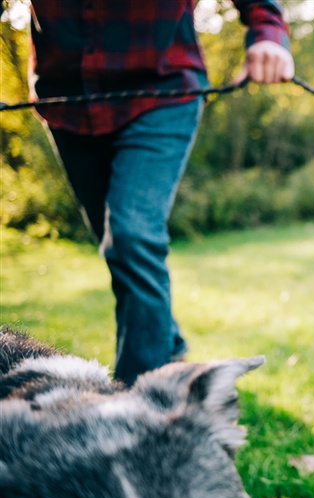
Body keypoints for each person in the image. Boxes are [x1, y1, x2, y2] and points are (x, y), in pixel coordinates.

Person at [25, 1, 295, 385]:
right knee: (115, 242)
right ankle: (166, 343)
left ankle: (141, 399)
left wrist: (269, 34)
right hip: (69, 102)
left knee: (131, 234)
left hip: (164, 92)